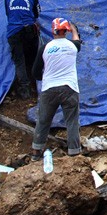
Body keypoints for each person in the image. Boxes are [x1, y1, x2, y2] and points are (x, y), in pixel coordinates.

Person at [31, 18, 82, 160]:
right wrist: (74, 30)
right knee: (72, 121)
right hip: (70, 88)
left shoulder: (45, 48)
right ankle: (74, 152)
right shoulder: (72, 47)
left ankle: (36, 152)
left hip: (49, 89)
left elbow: (35, 72)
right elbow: (77, 40)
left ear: (53, 31)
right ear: (66, 31)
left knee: (43, 120)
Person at [4, 0, 41, 99]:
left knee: (19, 61)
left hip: (14, 31)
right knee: (34, 55)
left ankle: (25, 91)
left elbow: (8, 14)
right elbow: (36, 14)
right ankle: (37, 83)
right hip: (29, 30)